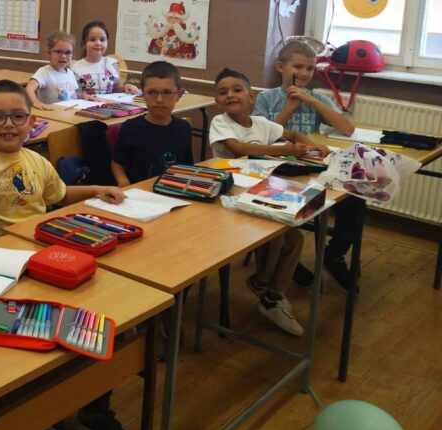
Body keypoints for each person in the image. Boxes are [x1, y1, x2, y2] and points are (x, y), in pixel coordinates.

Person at [0, 79, 136, 430]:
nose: (8, 125)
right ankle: (43, 415)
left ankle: (92, 410)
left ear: (31, 121)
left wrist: (96, 189)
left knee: (104, 322)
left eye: (18, 116)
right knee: (36, 341)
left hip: (43, 262)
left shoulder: (36, 162)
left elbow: (60, 195)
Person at [209, 67, 326, 336]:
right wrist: (284, 150)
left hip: (261, 193)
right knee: (277, 236)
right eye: (223, 92)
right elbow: (239, 149)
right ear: (217, 101)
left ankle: (273, 296)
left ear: (251, 97)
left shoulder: (261, 123)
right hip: (230, 196)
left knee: (294, 239)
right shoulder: (221, 122)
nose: (230, 95)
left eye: (237, 90)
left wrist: (312, 146)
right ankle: (262, 282)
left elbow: (292, 135)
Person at [254, 40, 364, 291]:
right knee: (288, 202)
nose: (304, 73)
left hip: (312, 166)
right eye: (298, 67)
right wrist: (289, 107)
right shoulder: (266, 98)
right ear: (280, 67)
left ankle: (333, 254)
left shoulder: (316, 97)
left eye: (310, 68)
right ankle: (286, 260)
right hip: (278, 166)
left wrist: (311, 101)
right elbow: (263, 139)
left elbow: (347, 128)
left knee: (356, 199)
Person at [112, 61, 192, 186]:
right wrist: (124, 182)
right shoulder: (131, 128)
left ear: (179, 95)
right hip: (138, 192)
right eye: (152, 92)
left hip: (173, 191)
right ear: (143, 94)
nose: (159, 100)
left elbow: (188, 166)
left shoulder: (183, 128)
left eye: (167, 93)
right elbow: (117, 164)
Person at [72, 20, 140, 98]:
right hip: (84, 105)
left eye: (102, 40)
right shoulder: (75, 67)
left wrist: (126, 87)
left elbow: (118, 89)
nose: (98, 43)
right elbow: (71, 93)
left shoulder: (112, 64)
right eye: (92, 39)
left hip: (108, 105)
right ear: (84, 43)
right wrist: (81, 95)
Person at [26, 30, 79, 109]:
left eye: (68, 52)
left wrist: (83, 96)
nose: (63, 56)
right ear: (48, 53)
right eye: (58, 51)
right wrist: (36, 102)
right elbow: (30, 87)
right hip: (51, 113)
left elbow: (72, 94)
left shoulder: (70, 73)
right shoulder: (44, 72)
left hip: (69, 113)